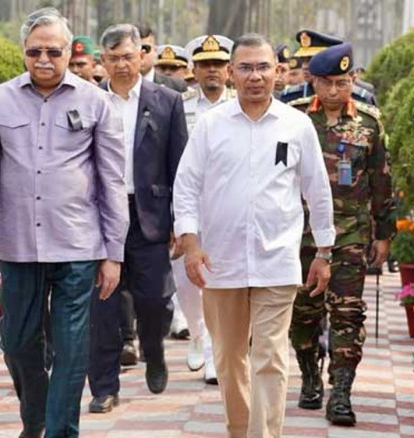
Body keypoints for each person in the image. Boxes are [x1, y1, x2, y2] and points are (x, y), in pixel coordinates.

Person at [0, 8, 128, 438]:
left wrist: (114, 253)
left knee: (72, 349)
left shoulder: (95, 102)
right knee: (16, 343)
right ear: (23, 52)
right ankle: (34, 420)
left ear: (68, 53)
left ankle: (60, 432)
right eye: (35, 51)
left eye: (53, 51)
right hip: (17, 246)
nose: (44, 59)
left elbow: (111, 181)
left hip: (77, 246)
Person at [173, 33, 335, 438]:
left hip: (276, 261)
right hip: (220, 262)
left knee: (269, 358)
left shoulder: (297, 126)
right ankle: (242, 431)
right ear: (231, 74)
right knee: (229, 360)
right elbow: (186, 186)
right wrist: (190, 243)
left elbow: (317, 189)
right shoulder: (210, 127)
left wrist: (324, 250)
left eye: (263, 67)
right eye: (245, 67)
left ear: (278, 73)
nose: (255, 76)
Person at [286, 43, 396, 427]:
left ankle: (342, 392)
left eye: (343, 82)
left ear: (354, 80)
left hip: (350, 233)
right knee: (303, 313)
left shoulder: (368, 122)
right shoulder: (293, 119)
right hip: (300, 233)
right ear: (312, 81)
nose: (334, 91)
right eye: (327, 83)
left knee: (348, 313)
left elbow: (382, 181)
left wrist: (384, 233)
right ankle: (310, 375)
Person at [88, 23, 188, 414]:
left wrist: (181, 222)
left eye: (128, 56)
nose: (121, 65)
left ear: (142, 55)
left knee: (153, 300)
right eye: (112, 59)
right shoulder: (90, 100)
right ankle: (104, 386)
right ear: (103, 61)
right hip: (100, 216)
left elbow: (178, 164)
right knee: (104, 305)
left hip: (149, 214)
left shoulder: (166, 100)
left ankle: (154, 350)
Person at [175, 34, 237, 385]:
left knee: (218, 282)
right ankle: (197, 334)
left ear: (228, 69)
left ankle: (216, 353)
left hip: (226, 208)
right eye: (204, 64)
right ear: (193, 70)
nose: (211, 70)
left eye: (217, 64)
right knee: (186, 285)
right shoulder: (178, 106)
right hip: (187, 207)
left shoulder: (241, 105)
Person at [280, 30, 377, 107]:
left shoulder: (361, 99)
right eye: (303, 60)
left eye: (312, 60)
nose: (305, 66)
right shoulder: (290, 97)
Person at [137, 22, 187, 92]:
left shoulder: (176, 87)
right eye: (135, 50)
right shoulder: (118, 86)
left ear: (155, 51)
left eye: (145, 48)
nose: (141, 54)